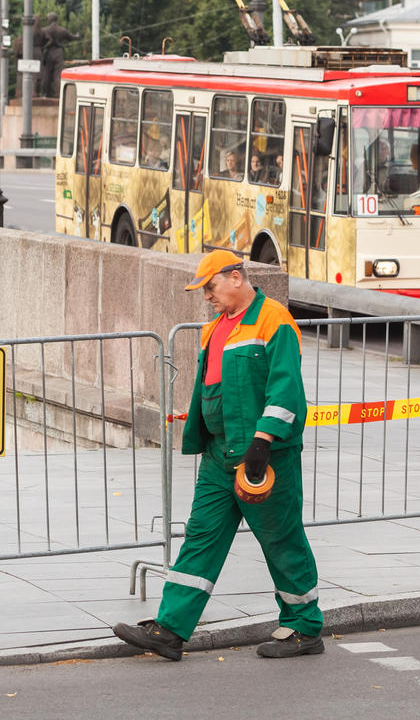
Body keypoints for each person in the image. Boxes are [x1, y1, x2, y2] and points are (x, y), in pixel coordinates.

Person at [113, 250, 323, 661]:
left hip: (264, 455)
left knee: (281, 539)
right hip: (219, 454)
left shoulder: (274, 320)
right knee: (201, 537)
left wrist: (264, 440)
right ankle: (171, 629)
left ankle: (304, 627)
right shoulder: (214, 329)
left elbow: (286, 389)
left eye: (210, 287)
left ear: (236, 278)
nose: (206, 296)